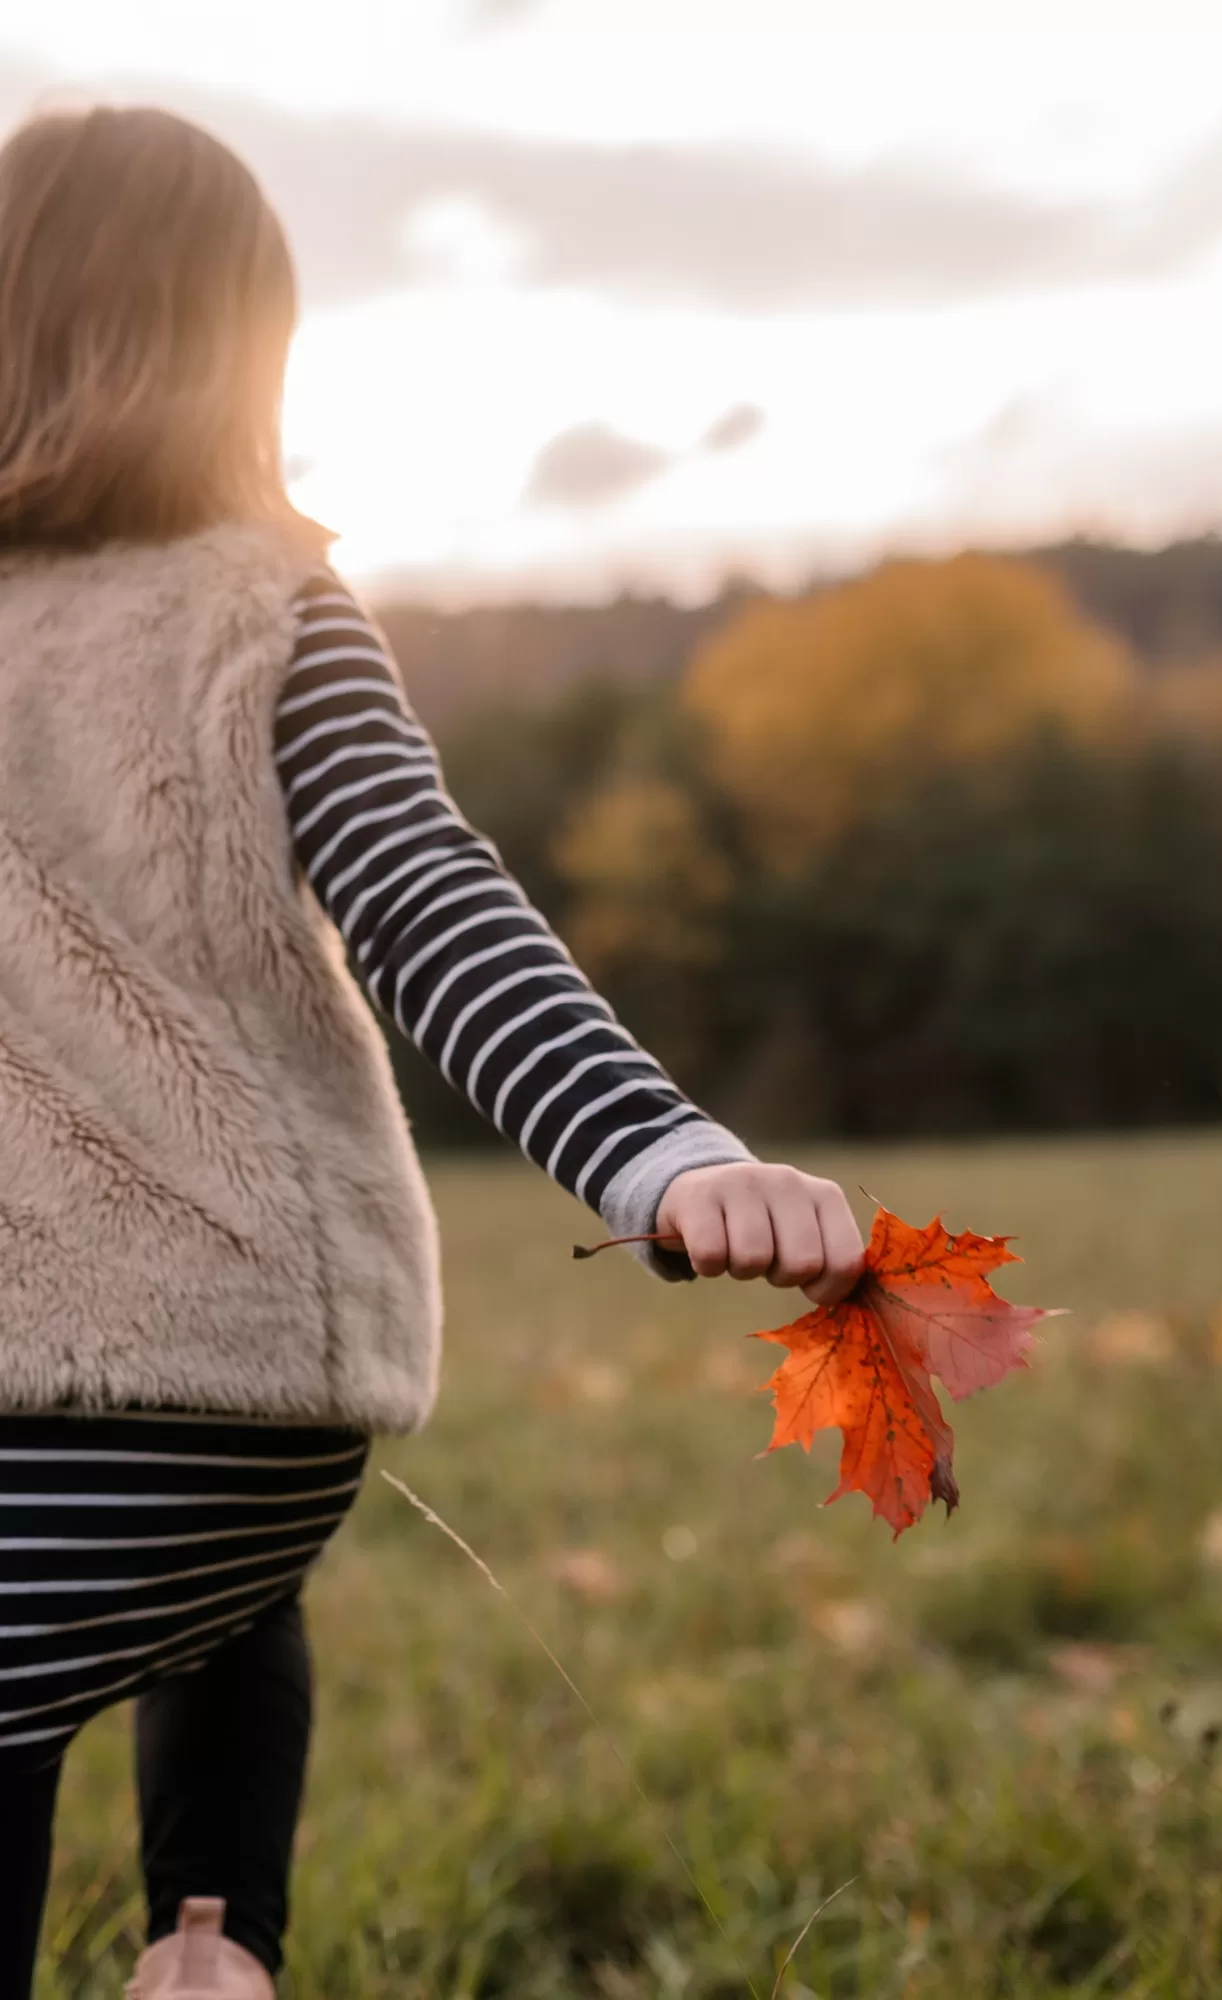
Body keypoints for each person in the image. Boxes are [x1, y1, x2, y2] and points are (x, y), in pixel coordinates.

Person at [0, 104, 866, 2000]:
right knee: (217, 1605)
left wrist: (658, 1151)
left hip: (60, 1391)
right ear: (248, 355)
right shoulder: (270, 608)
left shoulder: (255, 611)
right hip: (249, 1387)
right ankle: (215, 1943)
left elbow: (425, 901)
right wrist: (658, 1155)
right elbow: (431, 908)